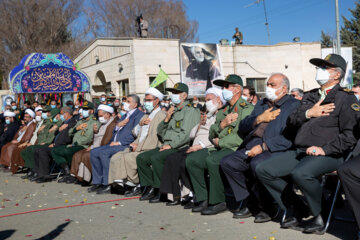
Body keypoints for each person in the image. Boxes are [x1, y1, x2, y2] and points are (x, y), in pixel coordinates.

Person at [256, 54, 358, 234]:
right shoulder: (310, 95)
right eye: (319, 67)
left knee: (301, 173)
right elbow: (292, 120)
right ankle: (298, 206)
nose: (319, 71)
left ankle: (322, 213)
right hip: (301, 150)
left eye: (324, 67)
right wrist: (309, 113)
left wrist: (324, 149)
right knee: (264, 170)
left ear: (336, 75)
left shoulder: (345, 98)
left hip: (330, 154)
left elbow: (350, 135)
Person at [220, 73, 300, 222]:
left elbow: (289, 136)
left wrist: (264, 146)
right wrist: (258, 119)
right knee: (228, 162)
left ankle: (268, 207)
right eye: (267, 84)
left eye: (272, 85)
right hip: (252, 144)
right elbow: (243, 126)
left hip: (274, 148)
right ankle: (251, 202)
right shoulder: (262, 103)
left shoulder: (292, 105)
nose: (268, 88)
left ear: (284, 89)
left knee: (257, 164)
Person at [186, 74, 254, 215]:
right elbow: (212, 132)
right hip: (219, 146)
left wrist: (220, 141)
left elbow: (240, 135)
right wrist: (222, 125)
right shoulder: (224, 110)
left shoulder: (245, 108)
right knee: (193, 160)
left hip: (234, 147)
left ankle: (218, 201)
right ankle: (203, 197)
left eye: (226, 86)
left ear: (236, 89)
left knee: (213, 161)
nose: (224, 90)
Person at [160, 87, 225, 206]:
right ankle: (177, 194)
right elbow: (191, 134)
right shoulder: (208, 116)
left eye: (209, 99)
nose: (207, 103)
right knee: (173, 158)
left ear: (218, 100)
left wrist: (200, 146)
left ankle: (193, 195)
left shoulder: (220, 115)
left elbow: (216, 136)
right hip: (195, 145)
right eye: (206, 100)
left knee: (186, 161)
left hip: (205, 147)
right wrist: (199, 124)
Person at [136, 82, 200, 203]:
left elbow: (185, 134)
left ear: (184, 96)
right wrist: (166, 119)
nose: (173, 95)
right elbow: (160, 132)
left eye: (176, 93)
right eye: (173, 93)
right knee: (142, 158)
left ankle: (161, 190)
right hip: (167, 144)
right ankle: (150, 187)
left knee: (156, 158)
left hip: (179, 146)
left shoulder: (190, 111)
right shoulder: (173, 111)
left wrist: (171, 145)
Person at [108, 88, 166, 196]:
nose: (146, 103)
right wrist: (141, 124)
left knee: (128, 157)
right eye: (146, 100)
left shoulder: (161, 115)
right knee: (116, 157)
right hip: (138, 144)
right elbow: (135, 132)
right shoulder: (145, 115)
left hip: (149, 147)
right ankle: (119, 182)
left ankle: (133, 183)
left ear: (157, 101)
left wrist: (139, 146)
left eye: (149, 100)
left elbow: (159, 134)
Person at [88, 94, 144, 194]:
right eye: (125, 101)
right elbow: (116, 129)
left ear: (135, 105)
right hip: (114, 143)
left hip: (124, 145)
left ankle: (107, 184)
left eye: (128, 101)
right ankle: (98, 181)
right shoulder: (124, 115)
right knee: (94, 152)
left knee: (104, 153)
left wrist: (119, 142)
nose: (125, 103)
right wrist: (118, 125)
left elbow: (135, 133)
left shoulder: (139, 115)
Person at [68, 104, 117, 185]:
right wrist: (95, 132)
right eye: (99, 116)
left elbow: (107, 139)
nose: (100, 118)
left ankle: (89, 179)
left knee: (86, 155)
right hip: (95, 145)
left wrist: (93, 147)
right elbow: (97, 137)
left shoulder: (112, 124)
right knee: (78, 154)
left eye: (101, 116)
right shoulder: (103, 123)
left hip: (102, 147)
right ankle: (78, 176)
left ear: (108, 114)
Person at [53, 101, 100, 183]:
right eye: (82, 109)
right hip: (73, 144)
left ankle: (73, 174)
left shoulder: (94, 122)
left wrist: (75, 144)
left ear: (91, 111)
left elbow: (88, 138)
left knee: (67, 151)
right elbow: (69, 133)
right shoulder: (80, 121)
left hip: (83, 145)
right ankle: (67, 171)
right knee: (54, 151)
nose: (83, 111)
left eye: (86, 109)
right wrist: (76, 128)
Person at [30, 107, 77, 183]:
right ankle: (37, 173)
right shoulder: (63, 122)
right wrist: (58, 130)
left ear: (67, 113)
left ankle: (44, 175)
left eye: (62, 114)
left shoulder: (72, 123)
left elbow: (67, 138)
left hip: (62, 145)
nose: (61, 116)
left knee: (42, 152)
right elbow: (56, 134)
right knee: (37, 150)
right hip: (55, 143)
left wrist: (55, 144)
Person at [21, 107, 61, 179]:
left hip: (49, 143)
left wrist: (45, 142)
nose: (45, 114)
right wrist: (39, 132)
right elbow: (42, 134)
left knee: (35, 149)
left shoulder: (55, 122)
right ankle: (32, 170)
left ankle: (37, 172)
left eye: (47, 112)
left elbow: (50, 136)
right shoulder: (47, 121)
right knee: (29, 149)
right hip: (43, 142)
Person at [10, 107, 44, 174]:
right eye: (36, 115)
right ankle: (14, 166)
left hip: (36, 142)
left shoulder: (38, 124)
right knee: (11, 147)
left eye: (39, 115)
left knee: (20, 149)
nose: (25, 118)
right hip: (30, 141)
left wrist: (26, 142)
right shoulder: (32, 124)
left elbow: (31, 136)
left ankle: (27, 168)